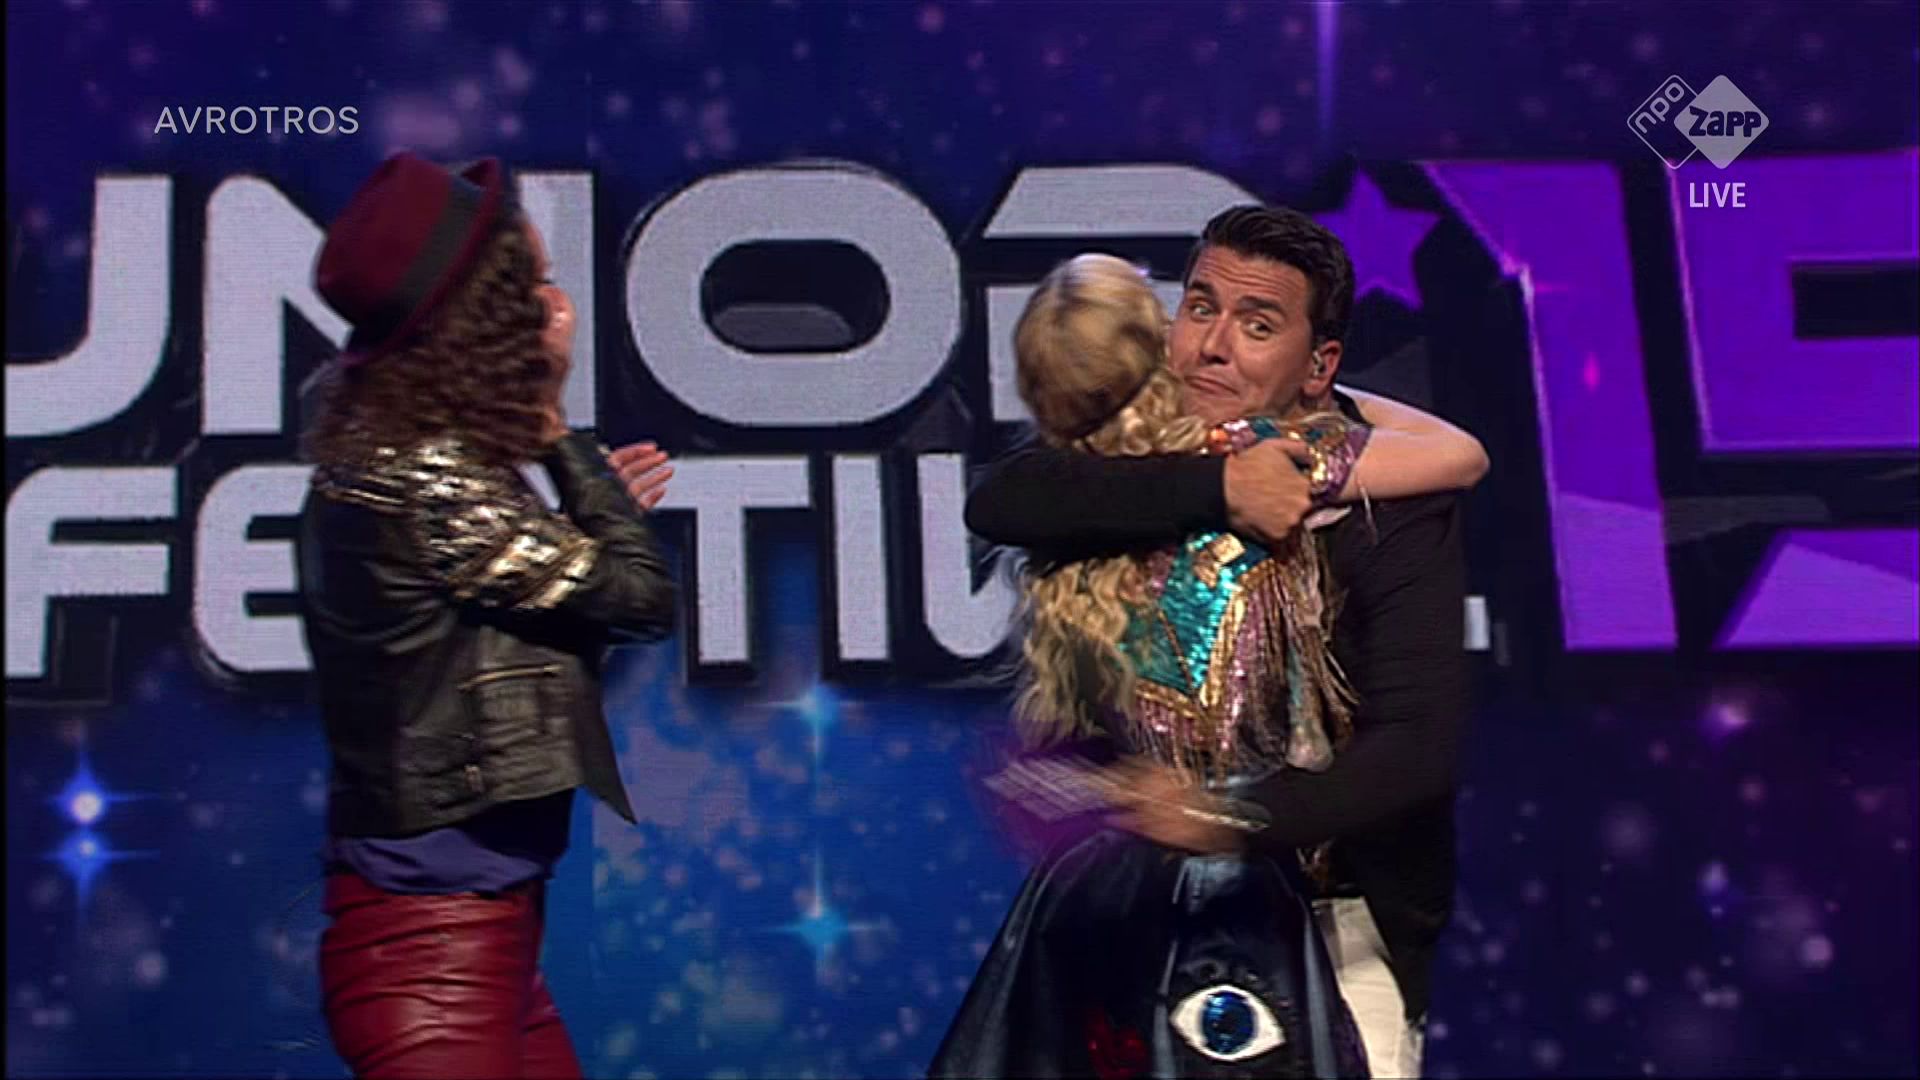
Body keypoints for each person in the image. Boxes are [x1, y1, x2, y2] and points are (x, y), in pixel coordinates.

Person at [933, 251, 1484, 1078]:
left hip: (1151, 911)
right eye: (1180, 312)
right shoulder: (1256, 461)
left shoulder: (1078, 509)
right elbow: (1456, 453)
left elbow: (1001, 497)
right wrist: (1285, 426)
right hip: (1257, 913)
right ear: (1158, 345)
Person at [297, 152, 677, 1079]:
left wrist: (582, 519)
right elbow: (641, 597)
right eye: (533, 285)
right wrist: (555, 433)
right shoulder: (427, 478)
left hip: (482, 945)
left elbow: (526, 632)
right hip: (432, 960)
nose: (555, 306)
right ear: (487, 317)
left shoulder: (413, 464)